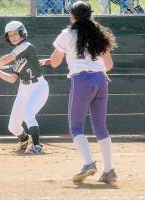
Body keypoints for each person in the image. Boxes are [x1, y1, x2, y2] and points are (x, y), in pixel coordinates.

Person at [40, 1, 117, 183]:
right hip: (100, 79)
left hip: (82, 80)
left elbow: (56, 61)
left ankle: (89, 163)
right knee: (101, 127)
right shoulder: (99, 33)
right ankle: (109, 170)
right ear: (90, 15)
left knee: (76, 127)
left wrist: (48, 61)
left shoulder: (67, 34)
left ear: (72, 16)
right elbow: (109, 65)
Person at [0, 21, 49, 154]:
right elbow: (12, 79)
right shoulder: (17, 59)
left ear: (22, 33)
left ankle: (37, 146)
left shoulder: (27, 46)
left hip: (39, 87)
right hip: (24, 88)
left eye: (16, 33)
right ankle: (25, 139)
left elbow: (6, 58)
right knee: (13, 126)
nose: (13, 37)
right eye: (10, 35)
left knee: (28, 113)